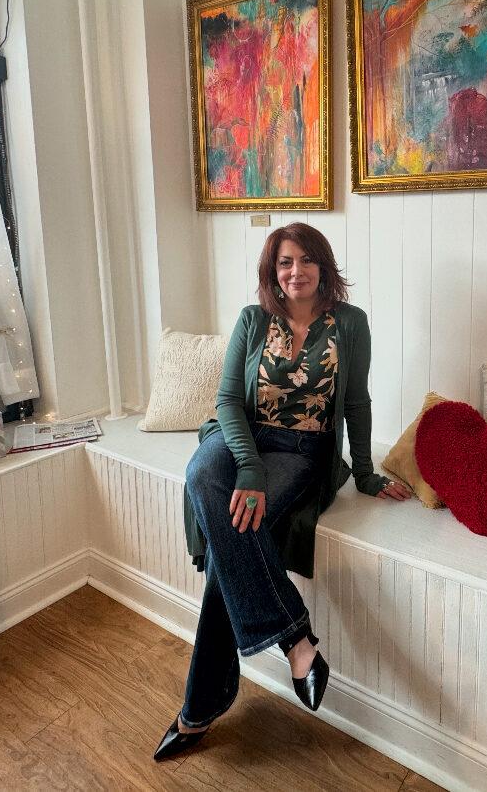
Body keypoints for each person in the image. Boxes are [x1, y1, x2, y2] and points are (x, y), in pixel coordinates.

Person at [154, 222, 413, 761]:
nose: (296, 271)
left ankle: (197, 712)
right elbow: (227, 400)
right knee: (204, 476)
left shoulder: (350, 324)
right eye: (284, 263)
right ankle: (297, 639)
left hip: (301, 451)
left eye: (306, 260)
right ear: (272, 273)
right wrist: (247, 467)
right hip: (242, 438)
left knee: (234, 540)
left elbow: (358, 403)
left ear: (324, 265)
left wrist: (363, 472)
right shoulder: (253, 321)